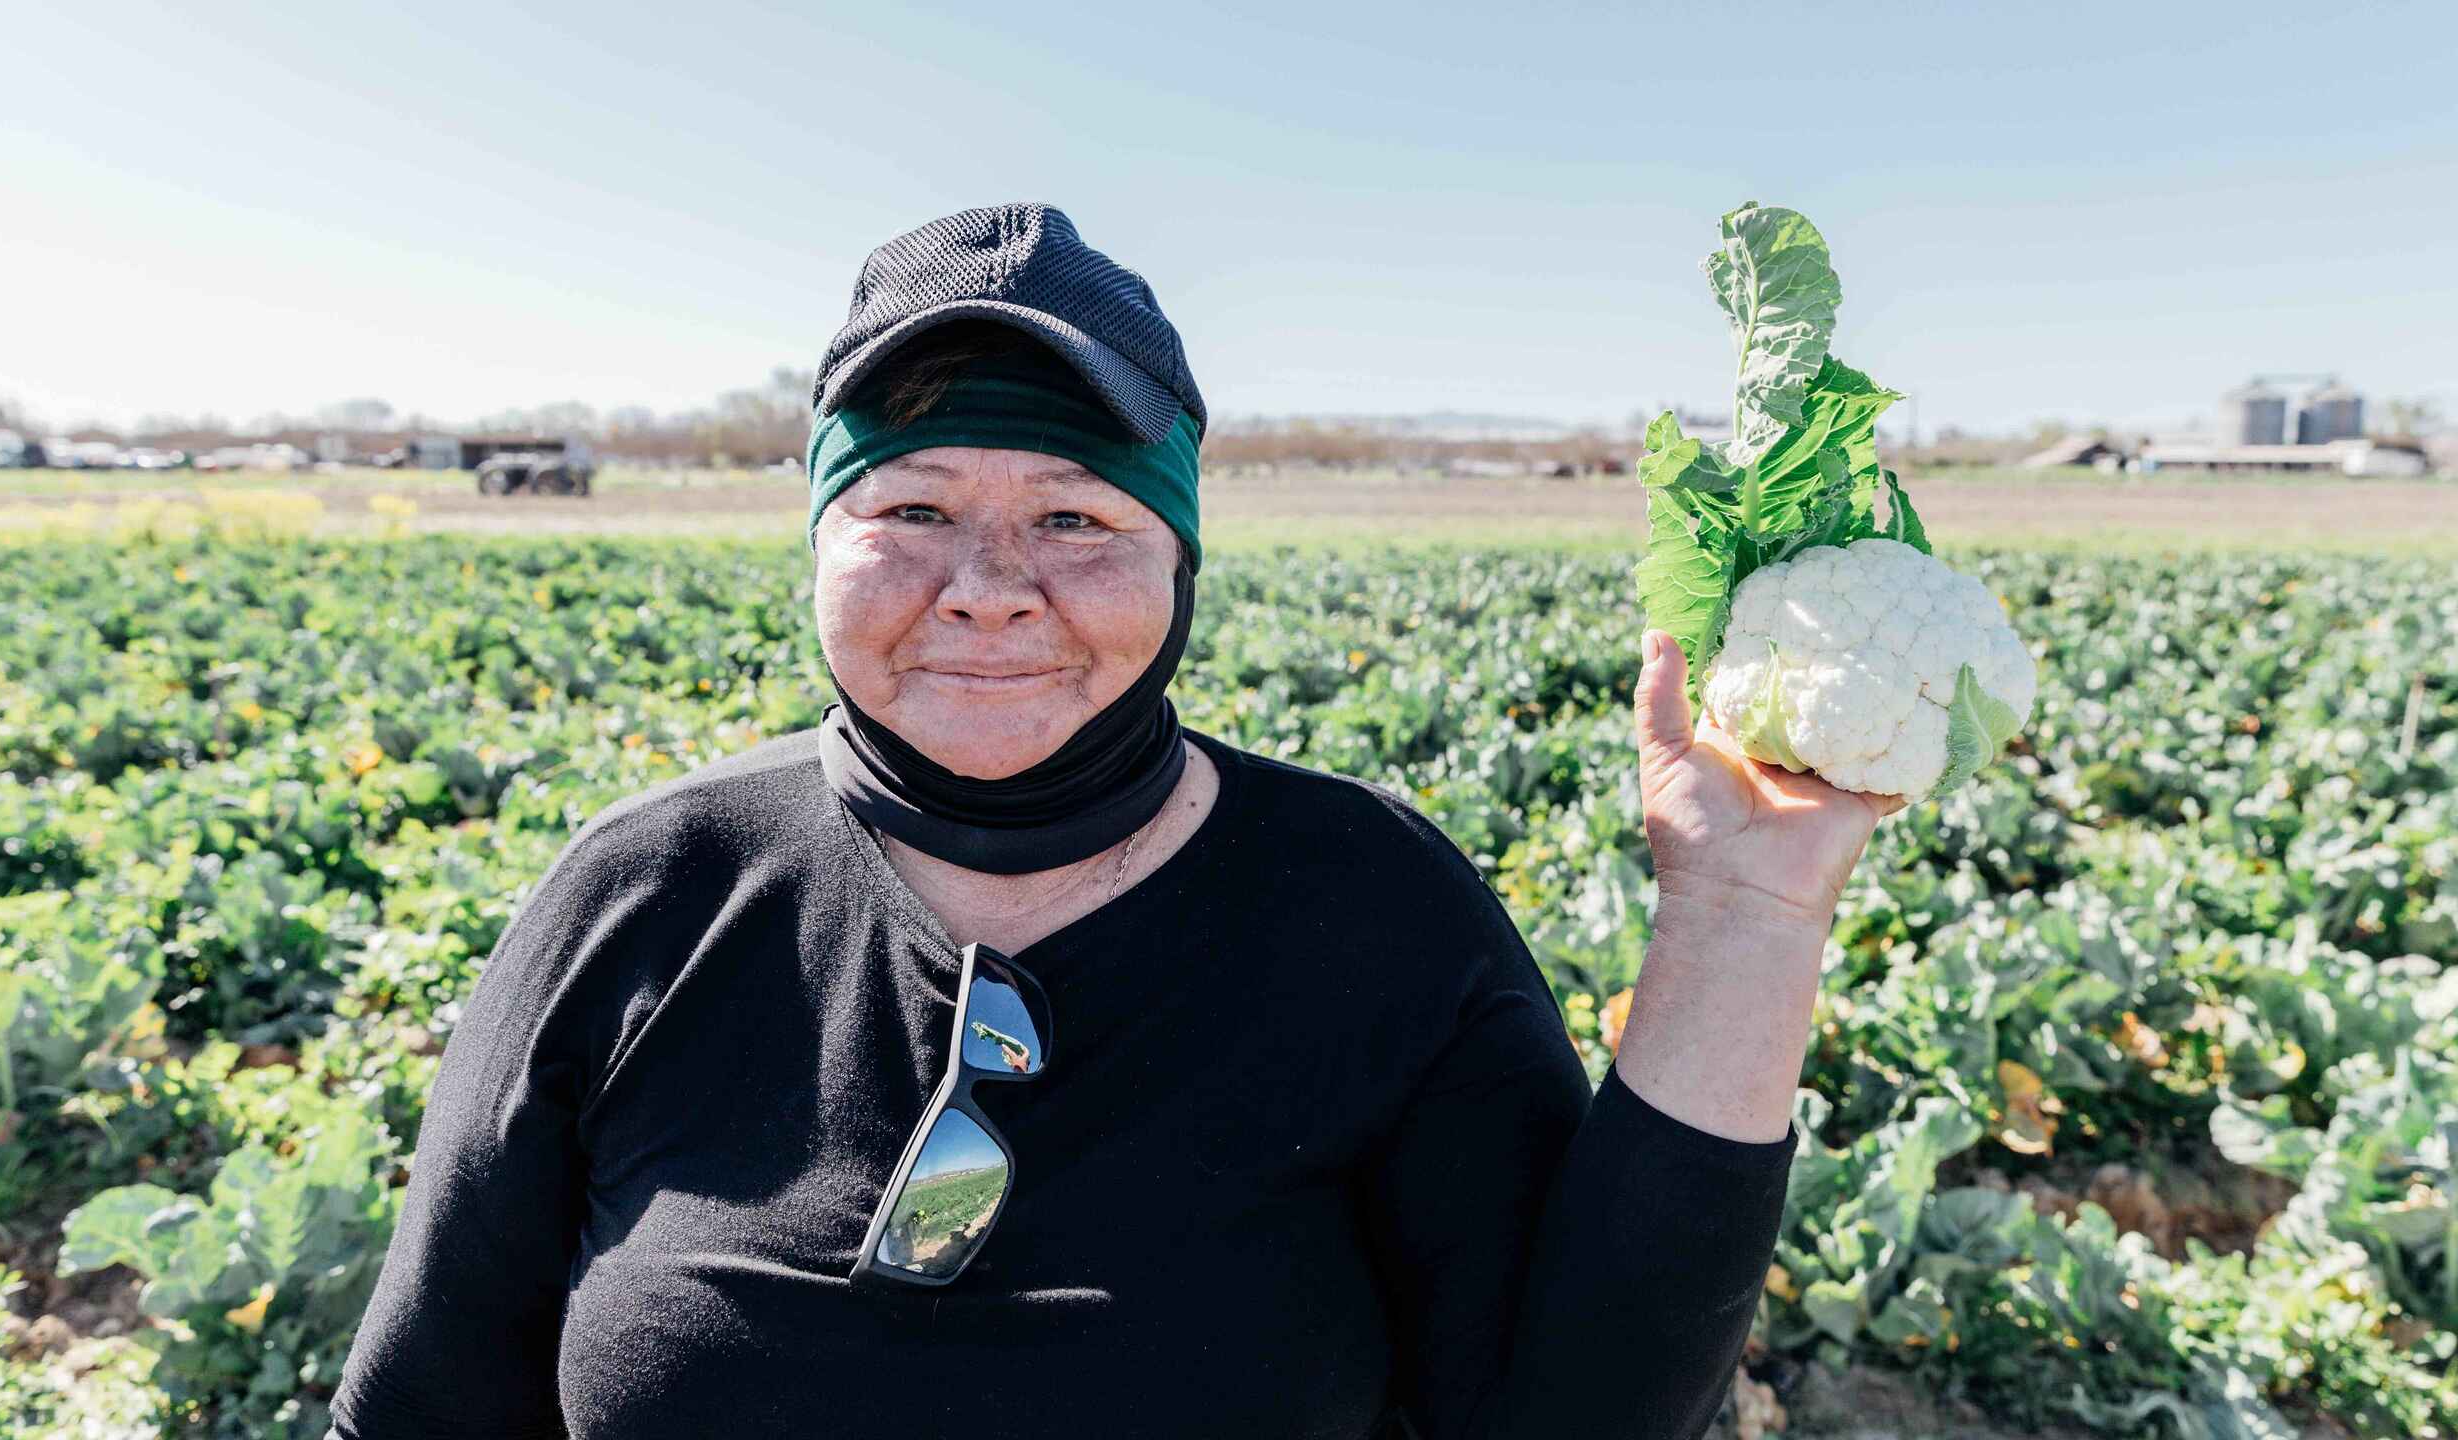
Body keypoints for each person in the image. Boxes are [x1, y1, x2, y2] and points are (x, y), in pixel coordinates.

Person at [322, 202, 1902, 1440]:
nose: (989, 589)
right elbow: (418, 1419)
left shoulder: (1367, 909)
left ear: (1179, 559)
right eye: (911, 509)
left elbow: (1573, 1420)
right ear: (822, 539)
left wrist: (1741, 918)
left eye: (1077, 518)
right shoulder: (651, 892)